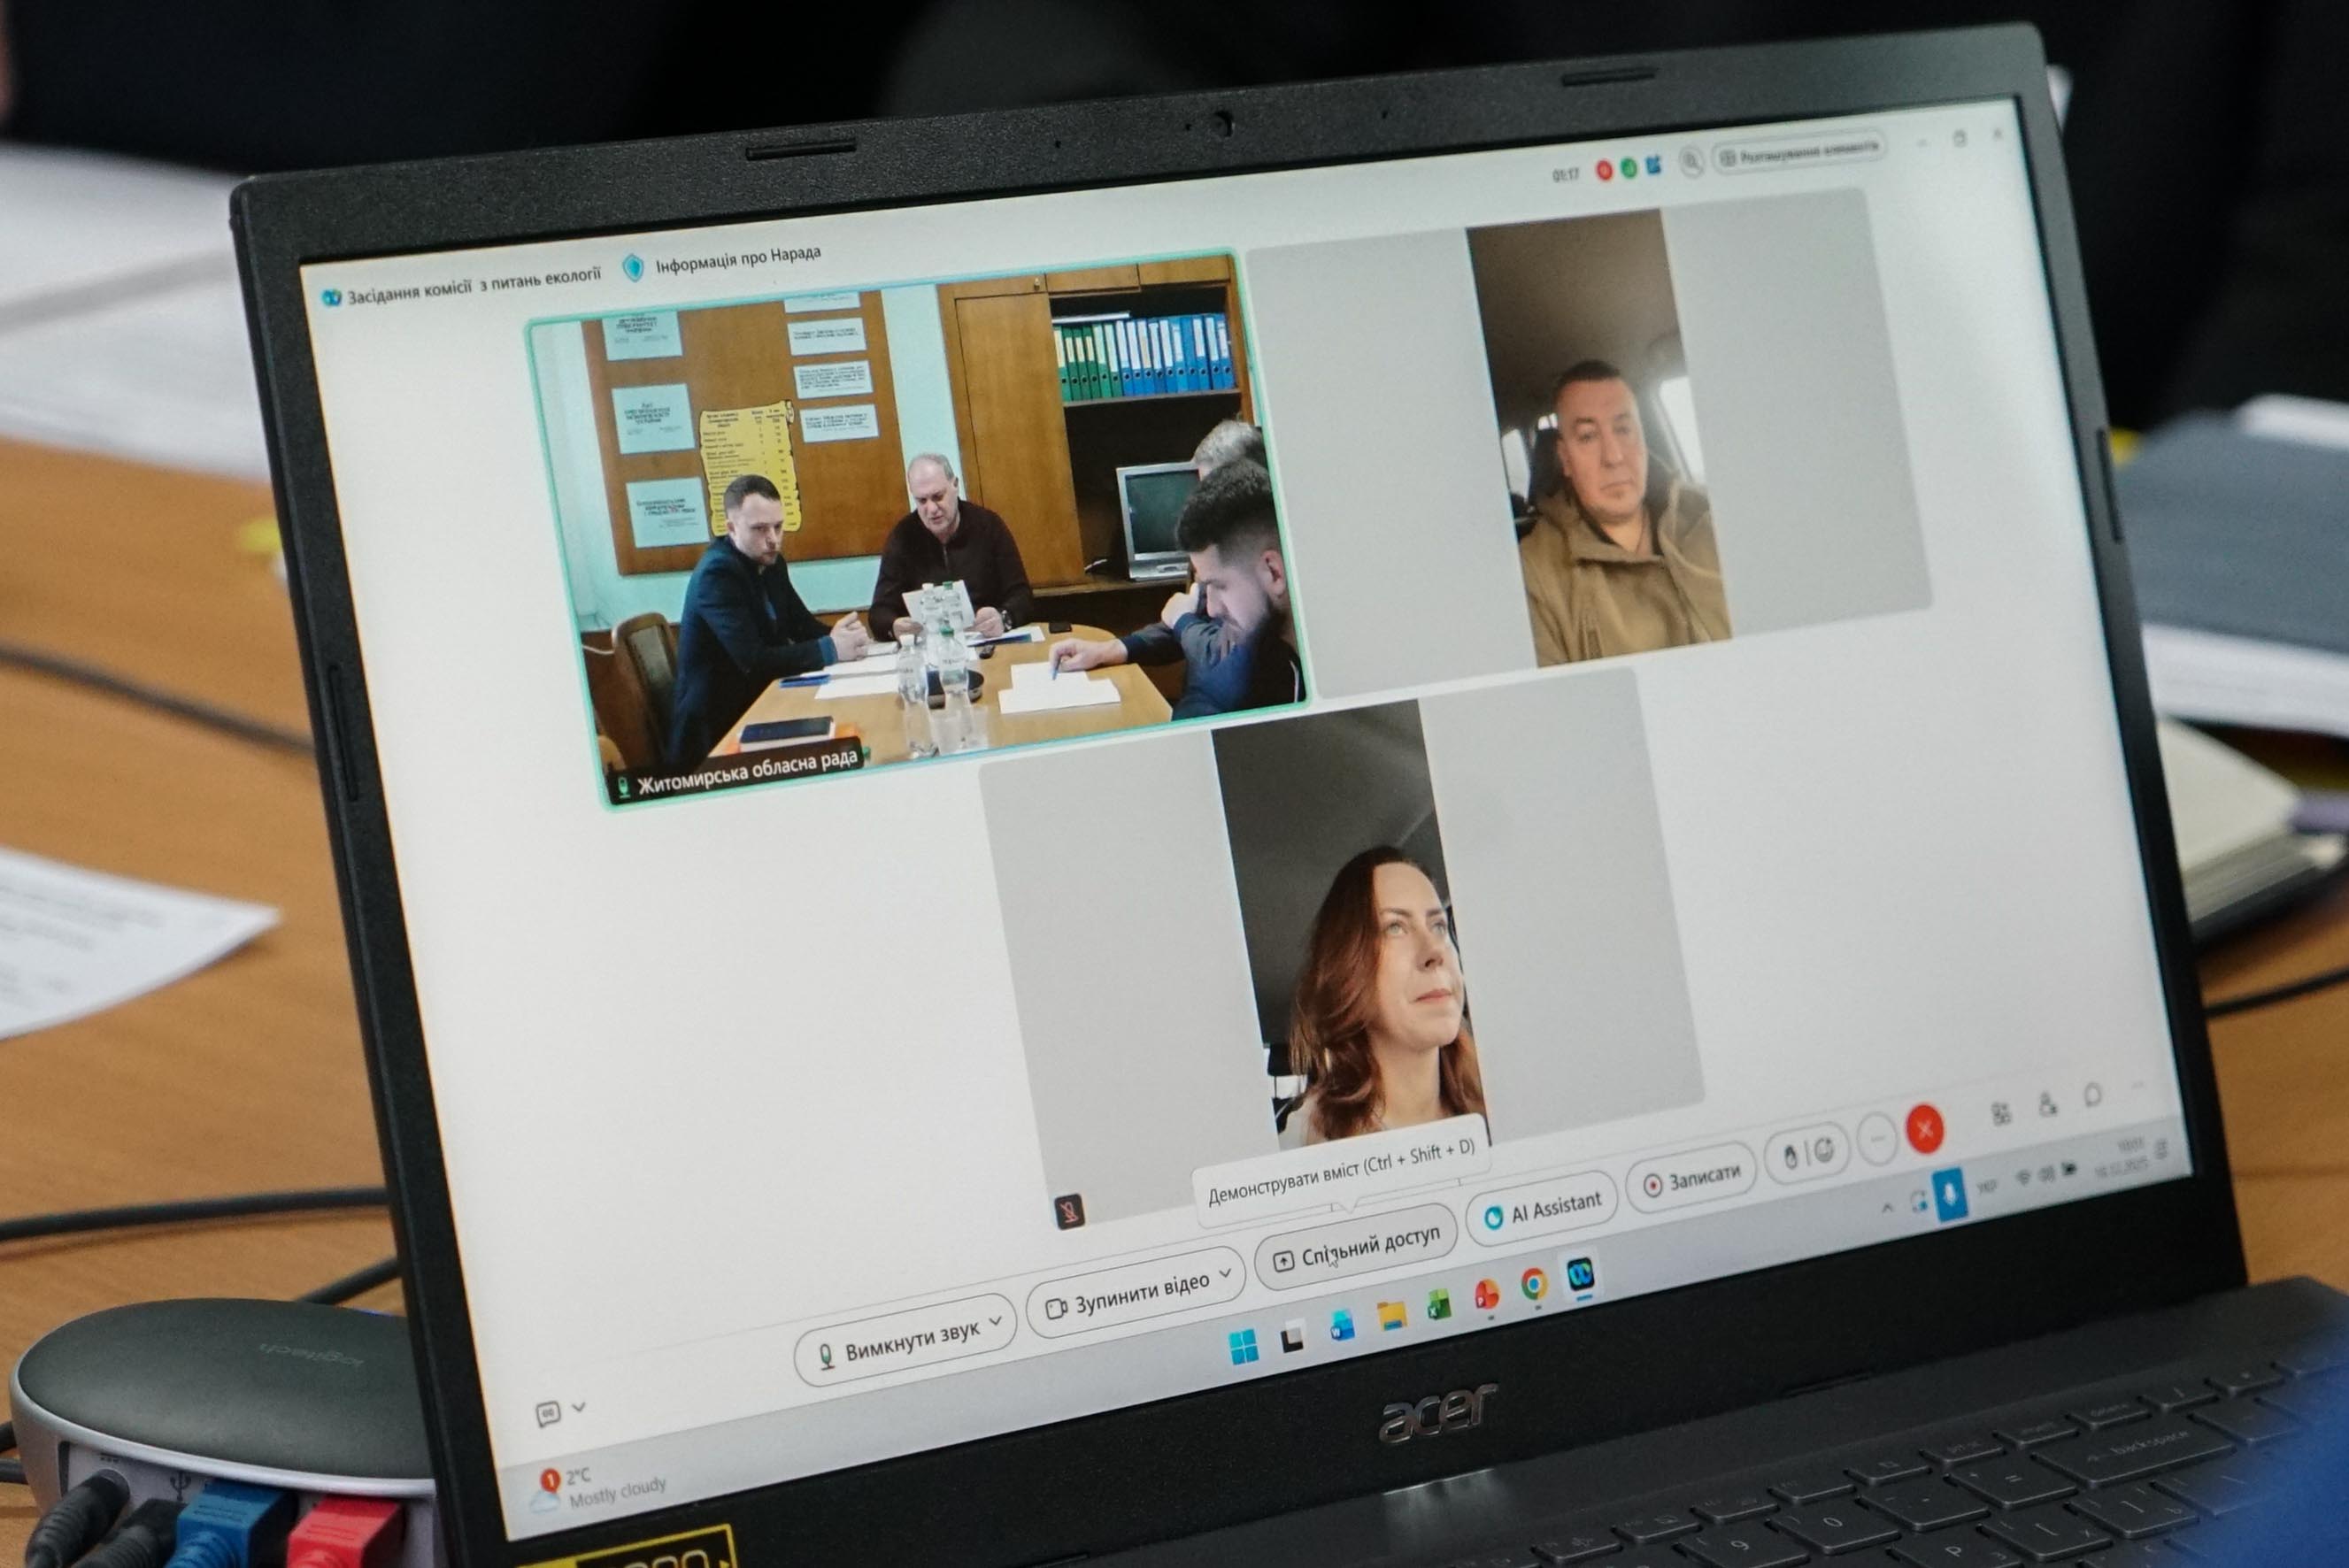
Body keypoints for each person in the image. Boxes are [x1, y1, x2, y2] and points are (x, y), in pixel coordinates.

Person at [1518, 359, 1730, 665]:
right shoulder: (1535, 574)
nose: (1614, 456)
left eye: (1623, 429)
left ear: (1642, 437)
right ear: (1565, 459)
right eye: (1588, 436)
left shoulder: (1713, 514)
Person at [1048, 457, 1300, 715]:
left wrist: (1183, 621)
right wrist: (1111, 649)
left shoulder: (1266, 657)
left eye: (1219, 586)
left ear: (1273, 572)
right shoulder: (1258, 626)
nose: (1212, 609)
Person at [1284, 847, 1487, 1145]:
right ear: (1349, 965)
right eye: (1395, 927)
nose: (1434, 951)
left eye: (1438, 926)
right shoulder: (1306, 1144)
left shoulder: (1507, 1107)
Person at [667, 473, 869, 767]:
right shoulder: (717, 574)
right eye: (760, 529)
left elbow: (802, 626)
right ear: (732, 528)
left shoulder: (771, 562)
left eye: (778, 527)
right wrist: (832, 648)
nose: (773, 539)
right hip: (716, 731)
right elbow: (754, 661)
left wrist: (845, 638)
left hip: (759, 708)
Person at [1108, 419, 1266, 715]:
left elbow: (1223, 655)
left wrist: (1182, 621)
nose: (1205, 501)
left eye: (1216, 487)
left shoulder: (1259, 561)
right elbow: (1193, 618)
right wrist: (1117, 648)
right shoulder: (1213, 543)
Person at [867, 454, 1033, 636]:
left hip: (987, 639)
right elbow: (879, 612)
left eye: (938, 497)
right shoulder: (903, 536)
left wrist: (1003, 618)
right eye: (922, 501)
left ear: (955, 485)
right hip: (931, 644)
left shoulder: (988, 526)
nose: (931, 509)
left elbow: (1022, 596)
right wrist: (893, 626)